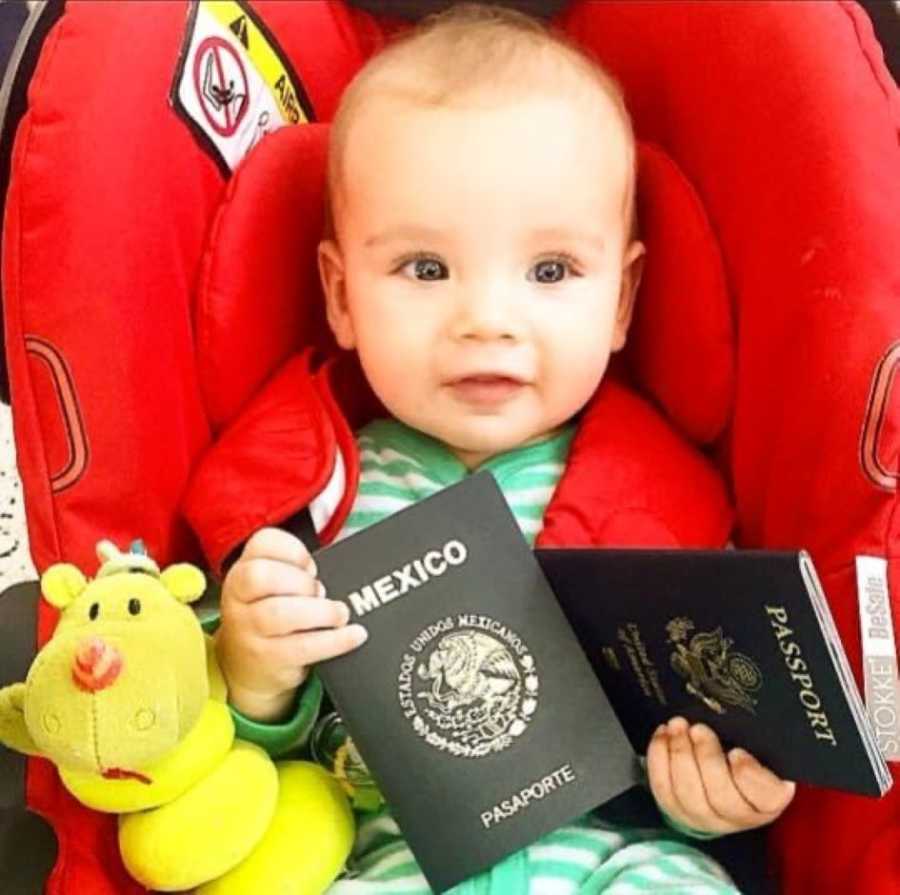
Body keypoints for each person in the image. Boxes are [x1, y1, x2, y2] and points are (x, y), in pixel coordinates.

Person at [213, 4, 795, 891]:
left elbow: (698, 734)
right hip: (391, 860)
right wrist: (255, 677)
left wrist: (717, 793)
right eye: (426, 268)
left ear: (624, 300)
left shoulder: (667, 508)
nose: (487, 320)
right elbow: (240, 750)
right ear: (340, 294)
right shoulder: (313, 498)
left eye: (551, 271)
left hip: (605, 859)